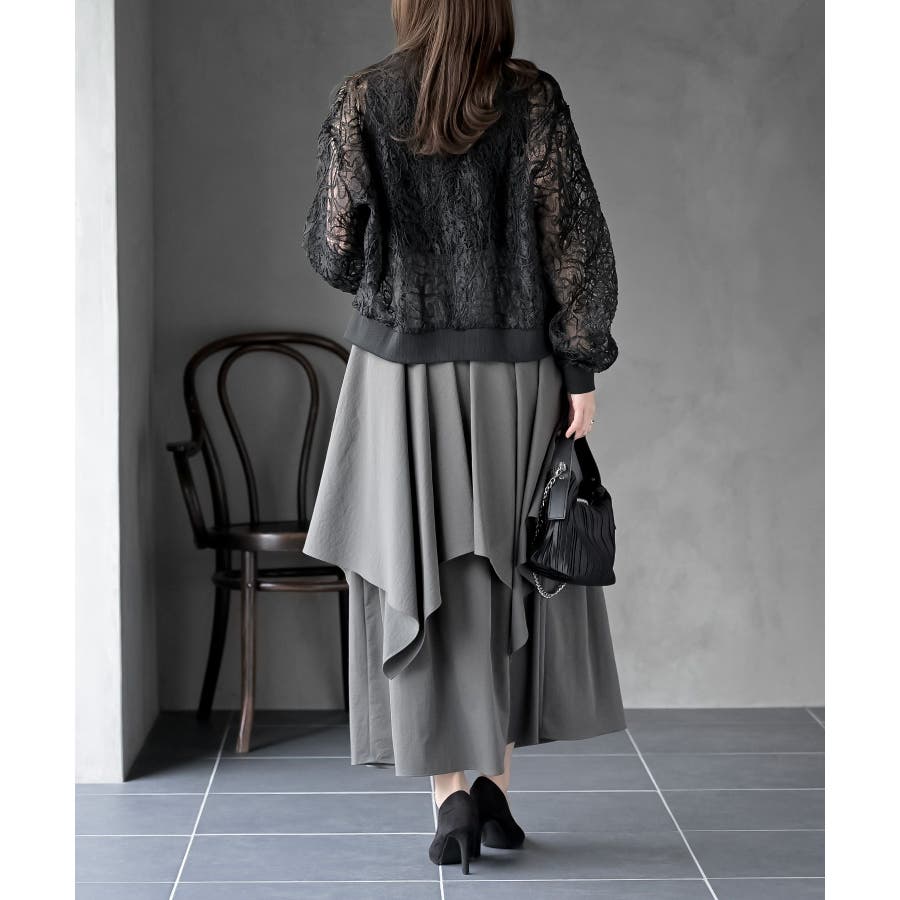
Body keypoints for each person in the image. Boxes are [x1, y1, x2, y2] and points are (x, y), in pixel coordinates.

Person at [301, 0, 626, 876]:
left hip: (400, 376)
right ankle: (492, 786)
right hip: (517, 373)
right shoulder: (533, 98)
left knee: (429, 574)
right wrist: (581, 368)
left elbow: (333, 254)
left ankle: (451, 799)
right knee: (504, 572)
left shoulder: (364, 99)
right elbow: (577, 243)